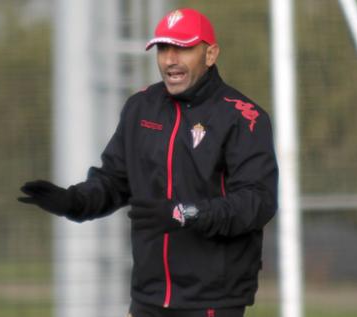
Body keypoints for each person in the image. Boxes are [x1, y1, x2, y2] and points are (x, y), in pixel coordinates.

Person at [18, 8, 278, 317]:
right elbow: (113, 181)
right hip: (147, 298)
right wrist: (73, 201)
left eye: (182, 48)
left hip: (211, 301)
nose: (170, 60)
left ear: (211, 54)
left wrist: (186, 214)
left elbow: (257, 202)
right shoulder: (141, 107)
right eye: (163, 49)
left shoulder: (244, 117)